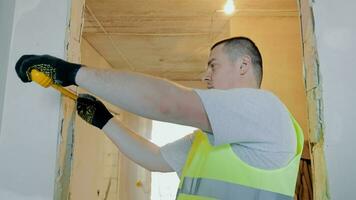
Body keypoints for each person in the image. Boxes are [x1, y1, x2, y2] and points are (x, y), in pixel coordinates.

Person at [15, 37, 303, 200]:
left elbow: (167, 103)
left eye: (213, 65)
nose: (205, 75)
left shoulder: (264, 108)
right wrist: (104, 120)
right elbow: (155, 159)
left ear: (243, 65)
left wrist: (73, 73)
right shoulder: (212, 137)